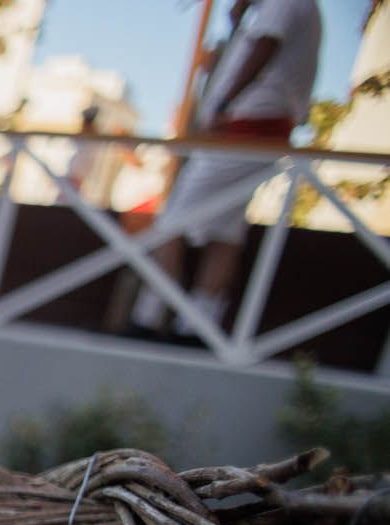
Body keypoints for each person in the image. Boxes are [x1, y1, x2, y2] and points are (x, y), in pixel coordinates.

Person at [130, 0, 321, 343]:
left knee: (172, 221)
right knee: (226, 231)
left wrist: (222, 103)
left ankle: (151, 315)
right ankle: (196, 324)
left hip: (244, 132)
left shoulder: (282, 4)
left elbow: (266, 44)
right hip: (260, 133)